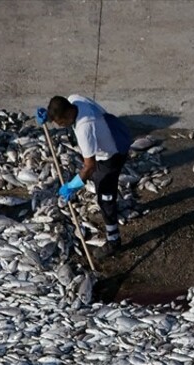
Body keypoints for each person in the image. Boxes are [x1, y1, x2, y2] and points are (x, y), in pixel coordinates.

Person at [39, 95, 132, 251]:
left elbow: (90, 166)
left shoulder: (84, 128)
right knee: (98, 182)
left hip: (112, 155)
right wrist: (48, 116)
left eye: (61, 122)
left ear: (69, 115)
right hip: (112, 130)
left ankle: (113, 240)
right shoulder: (75, 99)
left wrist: (72, 186)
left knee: (105, 197)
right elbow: (60, 110)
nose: (61, 126)